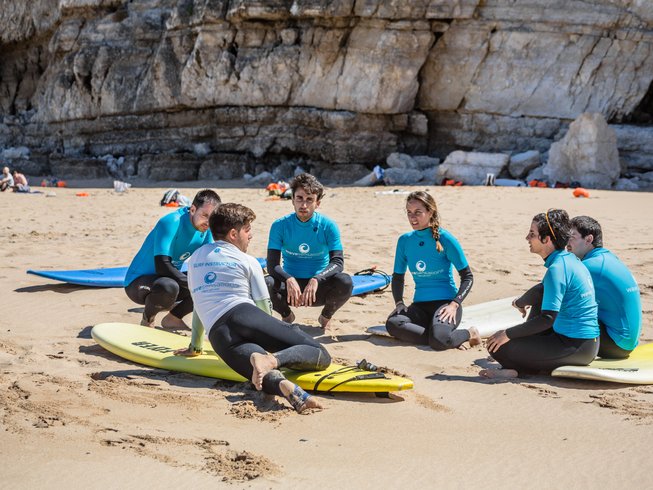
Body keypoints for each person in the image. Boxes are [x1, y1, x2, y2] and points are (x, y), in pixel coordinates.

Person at [176, 203, 330, 413]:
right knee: (319, 353)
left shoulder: (194, 260)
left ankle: (286, 387)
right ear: (233, 233)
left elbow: (198, 305)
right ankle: (270, 360)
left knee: (258, 375)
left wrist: (195, 346)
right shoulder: (247, 260)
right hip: (244, 315)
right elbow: (264, 305)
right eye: (247, 230)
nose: (250, 236)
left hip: (218, 335)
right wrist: (271, 339)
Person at [481, 209, 599, 379]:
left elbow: (548, 319)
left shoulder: (557, 269)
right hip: (587, 343)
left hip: (575, 347)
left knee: (498, 346)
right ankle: (525, 360)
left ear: (546, 239)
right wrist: (520, 302)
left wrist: (507, 334)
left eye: (532, 234)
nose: (527, 238)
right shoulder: (568, 259)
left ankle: (517, 370)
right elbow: (540, 291)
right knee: (539, 302)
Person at [385, 191, 480, 350]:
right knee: (393, 324)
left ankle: (469, 333)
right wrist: (399, 302)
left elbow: (467, 277)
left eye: (418, 212)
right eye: (409, 213)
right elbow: (398, 276)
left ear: (430, 212)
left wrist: (454, 304)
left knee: (439, 341)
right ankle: (441, 336)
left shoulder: (445, 238)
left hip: (445, 305)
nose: (412, 217)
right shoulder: (404, 241)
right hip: (420, 307)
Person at [265, 173, 353, 333]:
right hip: (292, 290)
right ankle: (287, 315)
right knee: (266, 283)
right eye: (299, 198)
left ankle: (325, 317)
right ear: (292, 199)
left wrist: (317, 279)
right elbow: (272, 265)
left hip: (318, 288)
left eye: (309, 200)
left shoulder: (328, 226)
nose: (303, 205)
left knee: (345, 282)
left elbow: (338, 262)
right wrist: (289, 279)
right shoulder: (280, 226)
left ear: (317, 203)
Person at [124, 189, 220, 328]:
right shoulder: (171, 221)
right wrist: (191, 284)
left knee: (207, 283)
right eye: (205, 215)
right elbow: (162, 265)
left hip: (169, 280)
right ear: (192, 209)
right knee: (169, 286)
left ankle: (173, 318)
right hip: (137, 284)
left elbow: (209, 262)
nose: (208, 222)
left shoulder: (206, 230)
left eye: (212, 218)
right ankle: (148, 319)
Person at [568, 216, 642, 358]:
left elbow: (550, 290)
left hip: (616, 345)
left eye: (572, 237)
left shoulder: (591, 266)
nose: (567, 242)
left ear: (589, 239)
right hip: (628, 342)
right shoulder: (608, 258)